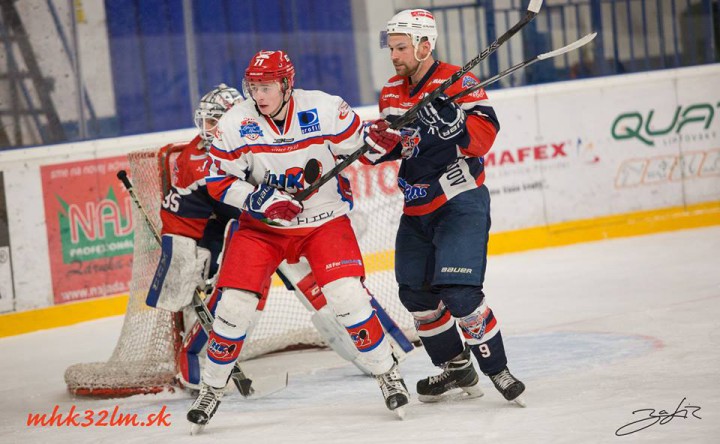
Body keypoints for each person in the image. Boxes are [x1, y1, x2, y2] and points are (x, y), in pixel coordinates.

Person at [186, 50, 409, 430]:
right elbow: (219, 180)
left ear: (287, 84)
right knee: (234, 307)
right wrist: (261, 199)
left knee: (347, 297)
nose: (259, 95)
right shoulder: (235, 122)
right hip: (262, 229)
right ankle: (211, 388)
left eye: (267, 87)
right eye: (254, 87)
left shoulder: (324, 108)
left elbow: (363, 149)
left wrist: (377, 143)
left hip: (324, 221)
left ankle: (387, 373)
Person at [146, 84, 378, 393]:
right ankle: (198, 362)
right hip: (248, 235)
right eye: (208, 121)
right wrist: (180, 258)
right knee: (238, 302)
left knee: (330, 293)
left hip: (291, 225)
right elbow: (183, 215)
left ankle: (374, 353)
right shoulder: (194, 159)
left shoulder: (262, 136)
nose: (210, 129)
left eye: (216, 121)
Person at [361, 9, 526, 405]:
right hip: (416, 207)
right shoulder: (391, 91)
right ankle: (457, 368)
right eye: (392, 48)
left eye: (401, 48)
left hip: (459, 200)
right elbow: (403, 145)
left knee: (459, 292)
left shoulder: (458, 82)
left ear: (424, 45)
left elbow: (483, 139)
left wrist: (457, 126)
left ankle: (498, 370)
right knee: (416, 296)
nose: (394, 55)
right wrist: (379, 147)